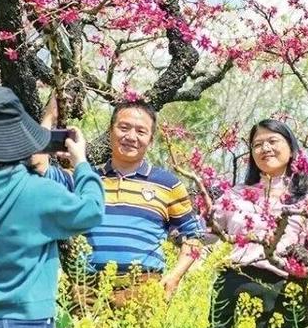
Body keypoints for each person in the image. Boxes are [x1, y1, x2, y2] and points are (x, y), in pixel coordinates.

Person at [0, 87, 104, 328]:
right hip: (22, 320)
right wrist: (81, 163)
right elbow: (91, 211)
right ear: (19, 140)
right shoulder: (38, 192)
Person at [40, 99, 203, 305]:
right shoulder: (84, 177)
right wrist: (48, 118)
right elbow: (39, 168)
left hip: (143, 288)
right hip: (87, 289)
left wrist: (175, 276)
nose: (131, 137)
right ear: (110, 131)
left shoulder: (168, 184)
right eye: (123, 128)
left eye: (141, 132)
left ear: (151, 140)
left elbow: (193, 234)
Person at [209, 119, 308, 328]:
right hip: (234, 285)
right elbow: (206, 233)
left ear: (291, 149)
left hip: (285, 289)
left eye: (272, 141)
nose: (265, 148)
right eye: (258, 144)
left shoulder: (307, 202)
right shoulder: (235, 194)